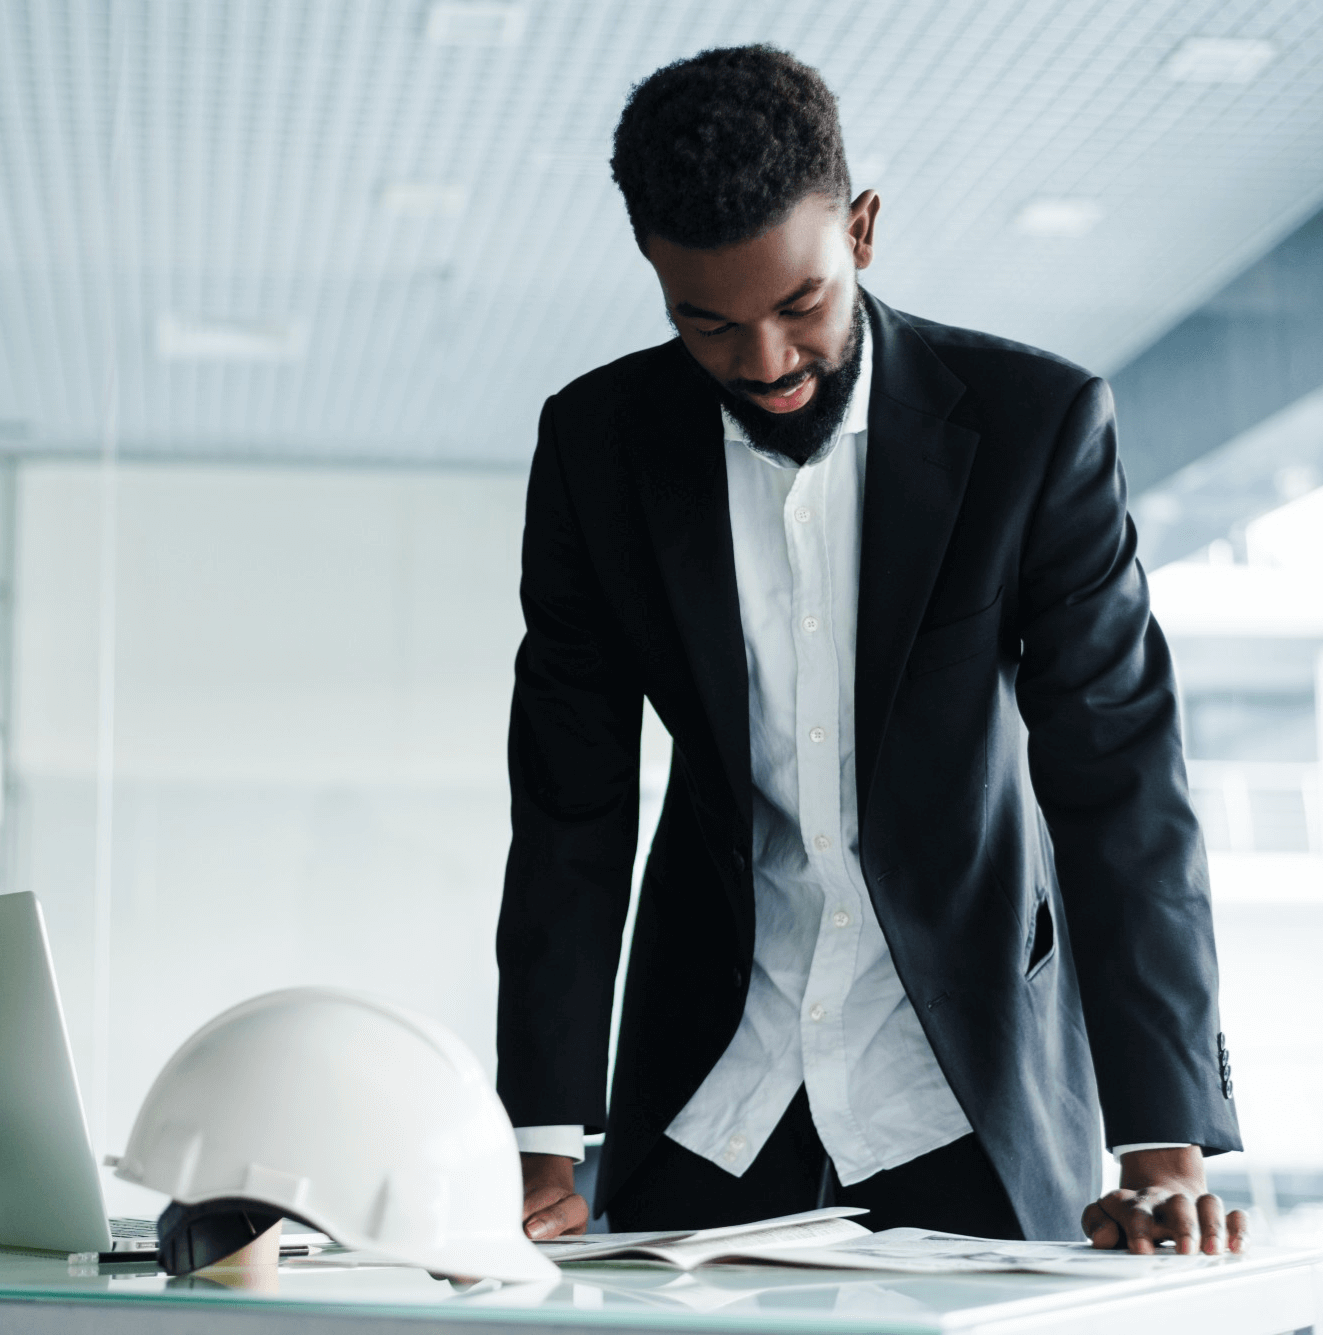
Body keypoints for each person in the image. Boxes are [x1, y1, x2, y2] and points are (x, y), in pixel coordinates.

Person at [494, 46, 1244, 1254]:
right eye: (707, 323)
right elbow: (567, 804)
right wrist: (543, 1136)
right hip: (709, 1095)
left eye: (800, 305)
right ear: (653, 272)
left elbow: (1119, 784)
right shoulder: (596, 446)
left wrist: (1161, 1146)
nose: (764, 363)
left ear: (862, 229)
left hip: (964, 1088)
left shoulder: (1031, 430)